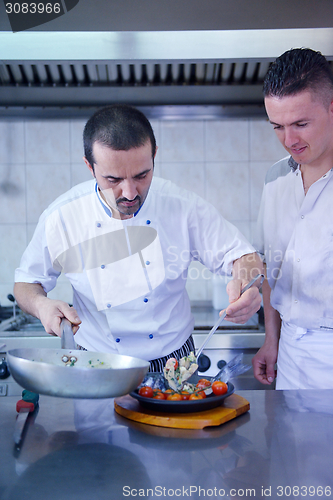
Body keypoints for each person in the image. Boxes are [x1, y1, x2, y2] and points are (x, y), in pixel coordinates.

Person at [14, 104, 263, 371]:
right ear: (90, 166)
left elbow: (244, 257)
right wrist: (41, 305)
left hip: (174, 362)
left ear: (154, 155)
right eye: (113, 179)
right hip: (96, 364)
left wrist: (248, 286)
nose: (130, 193)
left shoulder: (182, 207)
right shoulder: (63, 216)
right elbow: (26, 283)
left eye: (142, 175)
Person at [252, 48, 333, 389]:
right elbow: (271, 268)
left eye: (300, 124)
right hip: (290, 357)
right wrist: (273, 338)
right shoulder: (274, 179)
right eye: (278, 127)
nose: (289, 140)